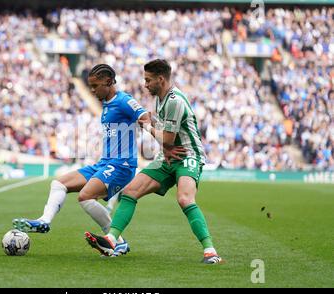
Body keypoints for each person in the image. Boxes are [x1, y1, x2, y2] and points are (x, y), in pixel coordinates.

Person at [84, 59, 224, 264]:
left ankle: (211, 252)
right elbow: (166, 136)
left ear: (161, 79)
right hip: (167, 156)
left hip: (188, 155)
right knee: (129, 192)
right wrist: (159, 134)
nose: (145, 84)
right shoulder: (160, 98)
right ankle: (111, 240)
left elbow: (167, 137)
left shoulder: (175, 100)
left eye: (148, 80)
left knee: (185, 199)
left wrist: (147, 127)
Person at [12, 64, 158, 254]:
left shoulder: (124, 100)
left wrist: (165, 140)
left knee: (85, 196)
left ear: (108, 82)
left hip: (122, 166)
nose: (92, 90)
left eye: (95, 86)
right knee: (59, 183)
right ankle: (44, 221)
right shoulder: (106, 103)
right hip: (105, 163)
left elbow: (145, 117)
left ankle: (116, 241)